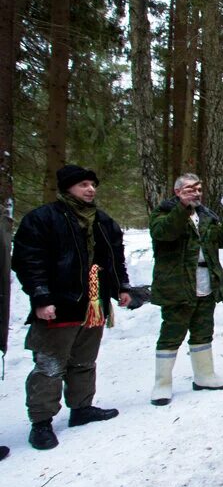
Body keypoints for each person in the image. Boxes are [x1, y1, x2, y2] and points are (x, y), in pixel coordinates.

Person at [12, 165, 131, 450]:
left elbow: (114, 257)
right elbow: (29, 261)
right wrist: (41, 297)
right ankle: (41, 422)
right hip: (59, 304)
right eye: (83, 185)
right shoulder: (42, 219)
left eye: (93, 184)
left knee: (84, 361)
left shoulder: (103, 221)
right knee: (50, 365)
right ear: (67, 188)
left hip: (93, 304)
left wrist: (121, 288)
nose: (90, 189)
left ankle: (81, 408)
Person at [149, 173, 223, 406]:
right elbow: (165, 233)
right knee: (172, 333)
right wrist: (182, 207)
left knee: (203, 330)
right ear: (177, 192)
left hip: (206, 281)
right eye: (189, 188)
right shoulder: (163, 212)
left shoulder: (207, 216)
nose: (196, 192)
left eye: (198, 188)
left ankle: (204, 375)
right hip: (177, 284)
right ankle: (162, 384)